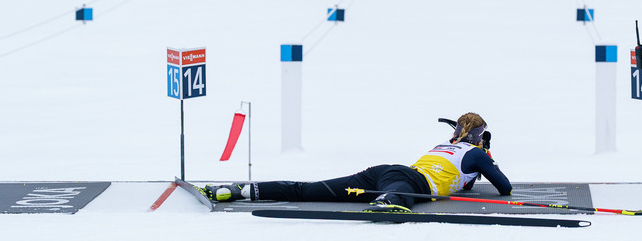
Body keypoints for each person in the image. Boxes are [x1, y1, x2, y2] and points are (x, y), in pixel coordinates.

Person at [203, 111, 512, 212]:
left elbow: (466, 178)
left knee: (310, 190)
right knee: (398, 195)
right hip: (407, 182)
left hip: (385, 171)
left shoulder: (444, 144)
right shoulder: (476, 155)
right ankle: (386, 203)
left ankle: (243, 190)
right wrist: (488, 153)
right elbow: (504, 188)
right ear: (478, 136)